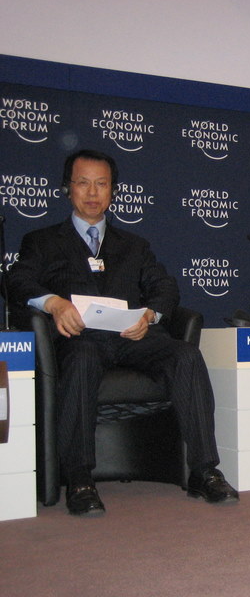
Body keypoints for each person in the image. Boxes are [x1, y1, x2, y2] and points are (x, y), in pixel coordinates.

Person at [8, 149, 238, 516]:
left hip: (133, 338)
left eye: (102, 184)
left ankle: (204, 470)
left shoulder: (134, 245)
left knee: (186, 355)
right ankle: (79, 478)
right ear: (67, 188)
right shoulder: (43, 240)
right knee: (82, 358)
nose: (93, 193)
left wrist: (150, 314)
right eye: (83, 183)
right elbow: (18, 280)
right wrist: (53, 303)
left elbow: (165, 287)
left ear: (113, 191)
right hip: (81, 339)